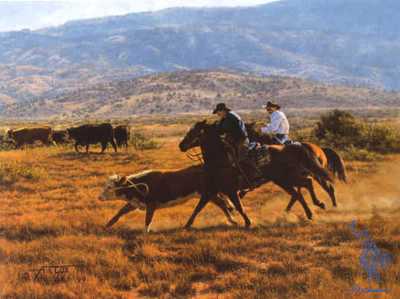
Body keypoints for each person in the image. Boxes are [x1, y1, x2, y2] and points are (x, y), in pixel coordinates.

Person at [212, 103, 263, 190]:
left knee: (241, 159)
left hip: (241, 141)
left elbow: (225, 129)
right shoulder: (226, 117)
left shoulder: (230, 117)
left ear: (223, 110)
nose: (218, 114)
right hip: (236, 141)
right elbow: (220, 128)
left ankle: (257, 175)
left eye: (218, 112)